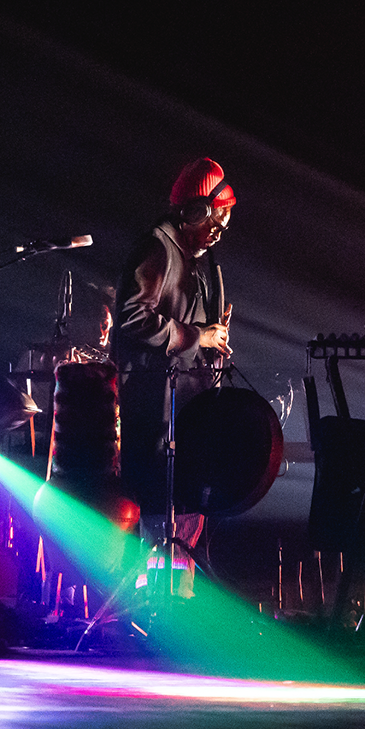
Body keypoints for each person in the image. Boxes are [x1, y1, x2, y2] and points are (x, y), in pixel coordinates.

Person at [112, 157, 236, 597]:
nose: (218, 231)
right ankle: (151, 599)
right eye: (214, 220)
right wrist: (197, 336)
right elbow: (132, 317)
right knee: (156, 504)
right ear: (193, 211)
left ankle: (176, 597)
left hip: (182, 409)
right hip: (155, 409)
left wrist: (211, 340)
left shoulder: (191, 259)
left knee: (183, 504)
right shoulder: (158, 249)